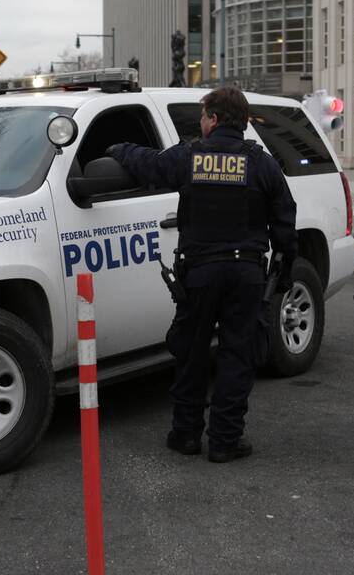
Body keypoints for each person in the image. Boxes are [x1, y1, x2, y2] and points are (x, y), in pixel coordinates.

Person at [106, 86, 297, 463]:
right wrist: (283, 273)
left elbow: (150, 164)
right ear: (242, 122)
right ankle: (225, 441)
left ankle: (186, 435)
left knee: (191, 353)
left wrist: (119, 149)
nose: (202, 122)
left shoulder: (190, 156)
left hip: (200, 275)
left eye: (203, 116)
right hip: (246, 275)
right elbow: (285, 225)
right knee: (237, 357)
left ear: (211, 119)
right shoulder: (262, 163)